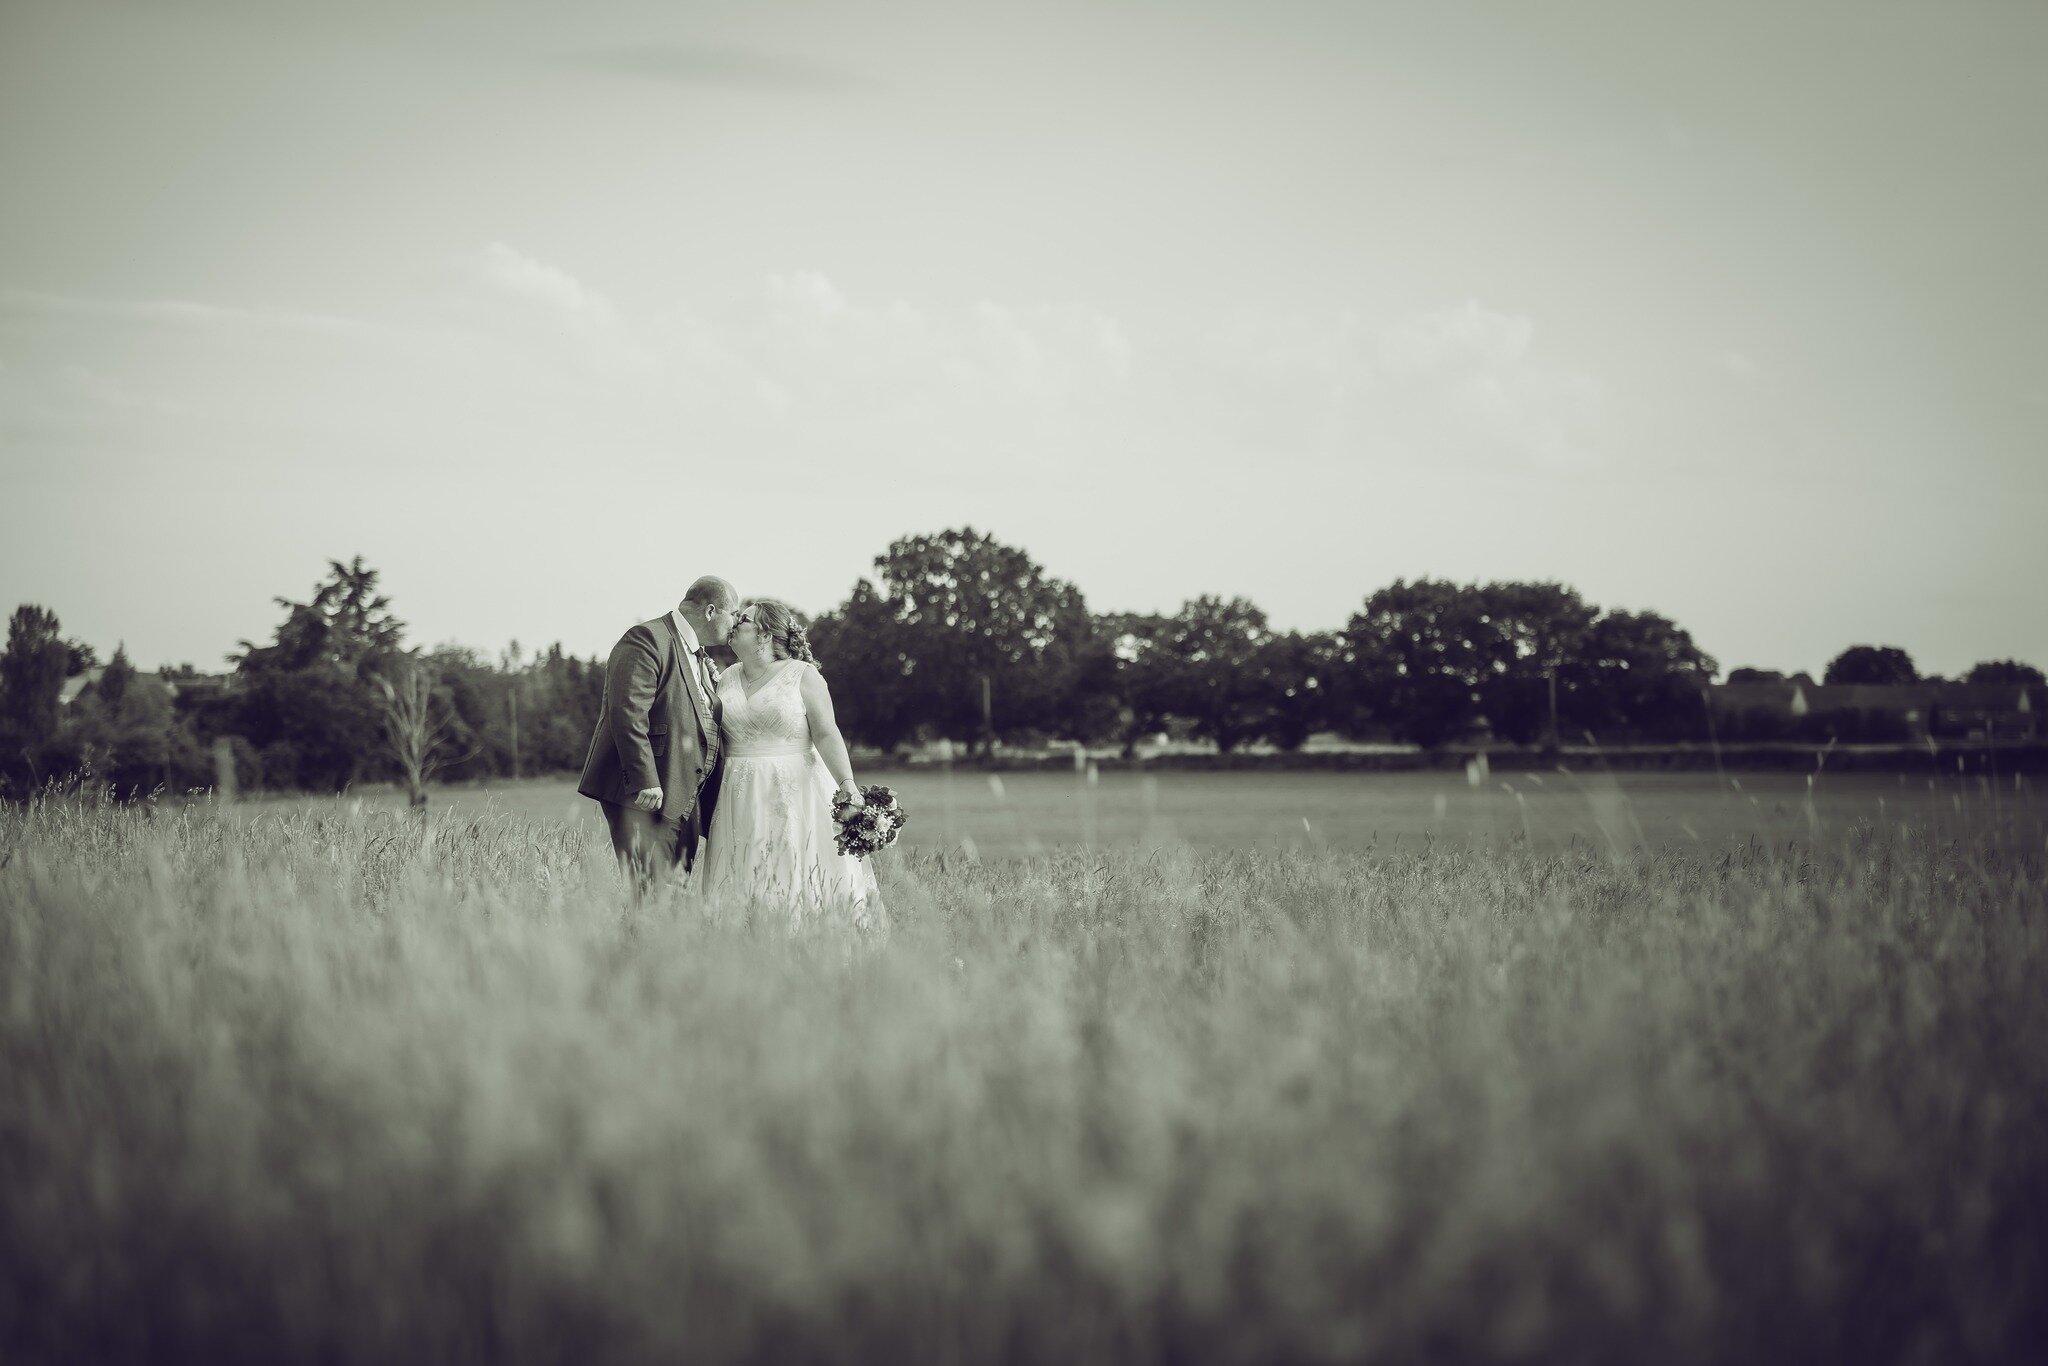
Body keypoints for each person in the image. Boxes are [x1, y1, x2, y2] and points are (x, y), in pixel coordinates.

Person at [698, 598, 881, 931]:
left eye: (744, 620)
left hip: (797, 793)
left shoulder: (802, 675)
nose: (735, 623)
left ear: (765, 634)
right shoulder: (725, 678)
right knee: (743, 874)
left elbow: (827, 734)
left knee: (798, 869)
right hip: (738, 795)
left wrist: (848, 785)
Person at [577, 576, 739, 893]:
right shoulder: (647, 639)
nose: (734, 623)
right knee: (649, 895)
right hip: (649, 796)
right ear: (710, 611)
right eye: (732, 613)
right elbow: (628, 710)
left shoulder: (700, 656)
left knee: (672, 894)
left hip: (684, 795)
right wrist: (645, 778)